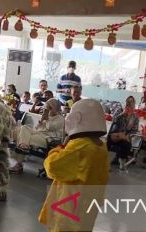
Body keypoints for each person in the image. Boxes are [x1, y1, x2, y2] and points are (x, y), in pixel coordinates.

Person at [38, 99, 109, 232]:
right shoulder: (101, 147)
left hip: (69, 208)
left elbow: (51, 166)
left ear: (78, 118)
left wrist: (60, 148)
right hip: (88, 206)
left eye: (71, 113)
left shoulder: (81, 146)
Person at [10, 99, 64, 174]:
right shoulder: (47, 116)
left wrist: (46, 119)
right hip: (39, 133)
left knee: (25, 138)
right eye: (47, 107)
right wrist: (41, 121)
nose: (48, 110)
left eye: (50, 108)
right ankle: (23, 147)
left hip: (48, 138)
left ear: (55, 108)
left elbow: (50, 127)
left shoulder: (60, 118)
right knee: (24, 128)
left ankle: (19, 165)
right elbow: (37, 128)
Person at [107, 96, 139, 170]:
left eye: (131, 102)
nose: (129, 104)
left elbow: (135, 130)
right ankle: (105, 161)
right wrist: (123, 113)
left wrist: (127, 136)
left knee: (126, 144)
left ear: (134, 104)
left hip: (126, 137)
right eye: (127, 102)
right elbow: (114, 122)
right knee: (108, 140)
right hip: (117, 135)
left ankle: (121, 162)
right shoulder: (121, 115)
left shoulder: (135, 117)